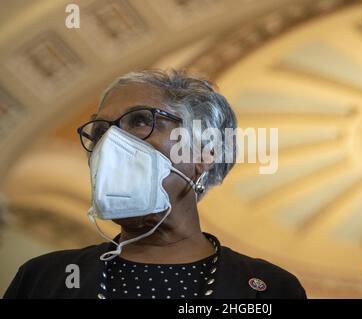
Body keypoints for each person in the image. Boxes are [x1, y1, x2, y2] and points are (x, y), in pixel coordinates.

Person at [3, 69, 306, 299]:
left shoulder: (268, 288)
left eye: (139, 121)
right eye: (99, 132)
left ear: (204, 151)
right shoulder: (43, 279)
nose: (110, 144)